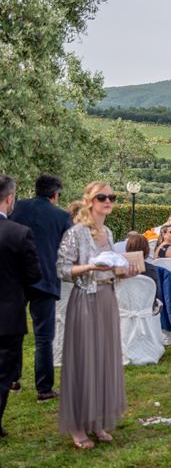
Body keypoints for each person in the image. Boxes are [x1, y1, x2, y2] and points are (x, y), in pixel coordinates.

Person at [56, 181, 136, 449]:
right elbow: (63, 270)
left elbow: (112, 268)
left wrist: (125, 271)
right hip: (85, 301)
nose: (108, 201)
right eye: (102, 197)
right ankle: (77, 426)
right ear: (90, 201)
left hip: (107, 299)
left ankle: (96, 421)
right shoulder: (76, 233)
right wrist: (90, 265)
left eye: (112, 196)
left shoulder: (109, 232)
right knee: (84, 359)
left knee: (103, 359)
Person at [8, 174, 72, 401]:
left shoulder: (18, 208)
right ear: (55, 194)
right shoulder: (62, 216)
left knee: (13, 330)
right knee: (44, 336)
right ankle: (44, 388)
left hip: (15, 277)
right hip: (45, 277)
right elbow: (67, 250)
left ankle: (12, 378)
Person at [0, 175, 42, 437]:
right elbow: (34, 275)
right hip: (7, 314)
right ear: (9, 198)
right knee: (3, 372)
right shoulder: (18, 233)